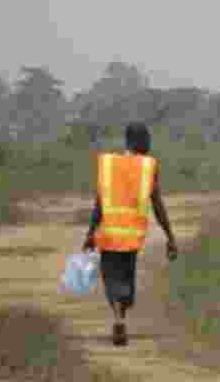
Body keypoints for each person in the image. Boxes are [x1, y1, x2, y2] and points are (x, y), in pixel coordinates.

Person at [82, 122, 177, 346]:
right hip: (131, 236)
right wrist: (169, 235)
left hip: (109, 235)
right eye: (147, 138)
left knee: (113, 280)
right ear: (143, 141)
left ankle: (119, 318)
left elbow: (99, 203)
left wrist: (90, 232)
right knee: (125, 280)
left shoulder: (110, 164)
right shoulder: (147, 167)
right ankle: (120, 318)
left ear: (126, 141)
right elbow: (158, 204)